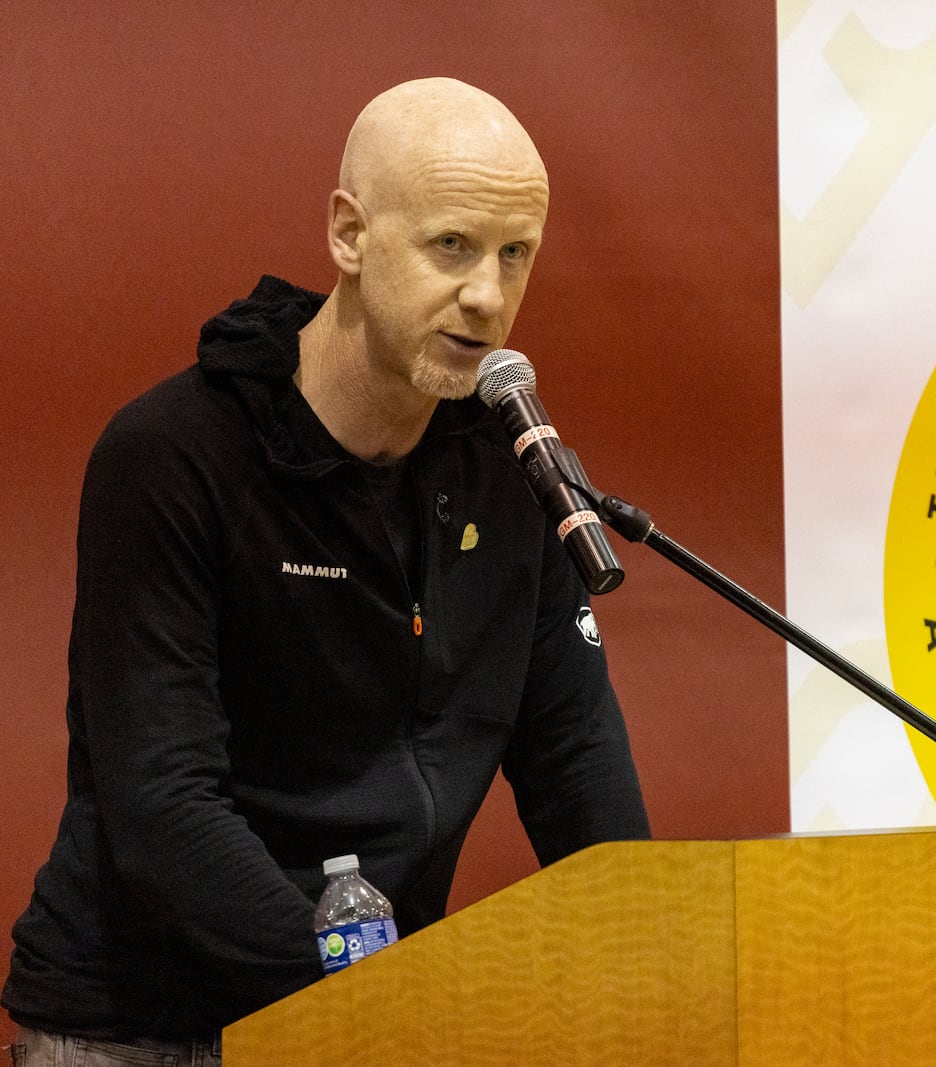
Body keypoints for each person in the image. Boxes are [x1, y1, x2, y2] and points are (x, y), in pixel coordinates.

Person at [2, 78, 650, 1065]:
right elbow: (164, 805)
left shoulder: (513, 472)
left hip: (362, 1013)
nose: (487, 293)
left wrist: (655, 954)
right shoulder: (174, 456)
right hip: (142, 1026)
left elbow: (574, 767)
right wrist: (378, 991)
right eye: (452, 246)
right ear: (350, 235)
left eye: (515, 253)